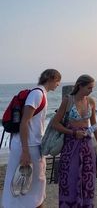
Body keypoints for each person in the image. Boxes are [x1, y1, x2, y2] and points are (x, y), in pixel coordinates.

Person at [2, 68, 61, 208]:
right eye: (58, 81)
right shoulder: (37, 94)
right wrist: (25, 151)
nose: (58, 84)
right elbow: (24, 122)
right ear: (51, 78)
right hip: (28, 145)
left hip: (29, 144)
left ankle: (35, 205)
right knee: (30, 180)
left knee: (31, 180)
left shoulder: (40, 94)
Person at [52, 74, 97, 208]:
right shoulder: (68, 100)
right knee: (70, 180)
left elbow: (93, 125)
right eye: (89, 87)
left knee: (88, 180)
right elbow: (55, 124)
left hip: (87, 147)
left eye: (92, 88)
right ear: (80, 86)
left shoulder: (91, 102)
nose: (91, 90)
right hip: (71, 147)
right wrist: (74, 132)